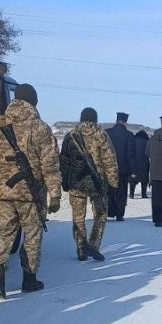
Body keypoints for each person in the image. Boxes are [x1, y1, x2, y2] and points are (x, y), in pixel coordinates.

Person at [0, 84, 61, 297]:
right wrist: (55, 194)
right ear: (33, 102)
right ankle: (29, 280)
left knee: (4, 235)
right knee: (32, 236)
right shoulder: (41, 128)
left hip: (3, 194)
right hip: (31, 196)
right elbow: (50, 164)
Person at [59, 107, 119, 261]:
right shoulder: (102, 135)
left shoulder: (70, 136)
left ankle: (81, 249)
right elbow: (110, 161)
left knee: (78, 218)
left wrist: (65, 182)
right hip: (97, 184)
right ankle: (93, 245)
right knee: (100, 214)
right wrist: (113, 183)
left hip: (76, 184)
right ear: (95, 119)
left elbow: (63, 161)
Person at [105, 111, 137, 220]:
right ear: (125, 122)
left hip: (107, 168)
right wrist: (133, 170)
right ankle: (119, 214)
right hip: (123, 169)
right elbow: (130, 154)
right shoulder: (129, 135)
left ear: (116, 120)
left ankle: (107, 212)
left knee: (108, 191)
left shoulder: (106, 133)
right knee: (121, 193)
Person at [130, 129, 150, 198]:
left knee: (133, 179)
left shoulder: (133, 140)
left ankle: (131, 194)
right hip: (144, 162)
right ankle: (144, 194)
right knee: (144, 180)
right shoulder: (147, 141)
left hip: (134, 162)